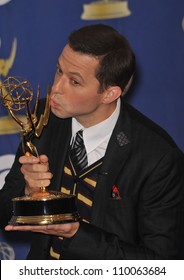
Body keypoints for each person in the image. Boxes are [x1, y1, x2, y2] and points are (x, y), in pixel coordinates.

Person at [0, 24, 184, 260]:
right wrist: (27, 192)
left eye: (74, 82)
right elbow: (5, 213)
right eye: (58, 71)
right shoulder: (45, 117)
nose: (55, 88)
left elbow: (162, 264)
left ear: (110, 93)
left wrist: (76, 233)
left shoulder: (158, 159)